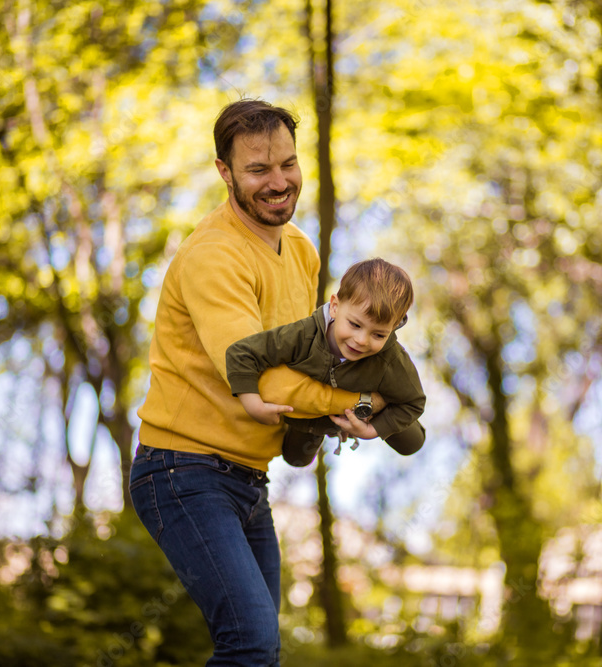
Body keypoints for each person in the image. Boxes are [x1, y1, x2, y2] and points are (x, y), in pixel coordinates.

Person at [128, 99, 385, 666]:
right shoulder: (214, 256)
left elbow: (314, 355)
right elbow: (260, 376)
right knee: (250, 643)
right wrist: (358, 404)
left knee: (262, 654)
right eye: (258, 170)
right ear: (224, 172)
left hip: (248, 479)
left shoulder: (300, 251)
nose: (279, 182)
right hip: (181, 470)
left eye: (288, 164)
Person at [226, 258, 425, 467]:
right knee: (296, 459)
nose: (361, 340)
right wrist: (252, 403)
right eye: (355, 324)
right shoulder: (304, 335)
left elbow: (414, 401)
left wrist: (371, 430)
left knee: (413, 442)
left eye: (378, 335)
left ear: (392, 329)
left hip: (366, 400)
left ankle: (371, 414)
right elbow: (241, 352)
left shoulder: (390, 358)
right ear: (335, 307)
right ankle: (323, 430)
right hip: (314, 413)